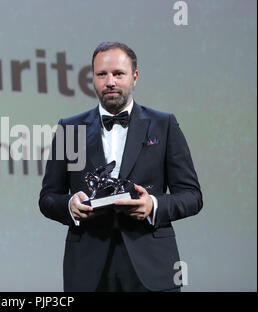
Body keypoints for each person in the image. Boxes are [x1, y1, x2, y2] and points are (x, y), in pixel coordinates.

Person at [38, 42, 203, 292]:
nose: (110, 82)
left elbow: (192, 196)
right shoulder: (69, 129)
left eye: (118, 74)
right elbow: (48, 197)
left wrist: (153, 205)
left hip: (152, 266)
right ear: (92, 78)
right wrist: (70, 206)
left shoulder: (164, 125)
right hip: (87, 268)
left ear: (134, 77)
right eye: (102, 74)